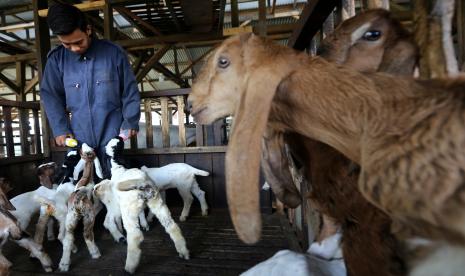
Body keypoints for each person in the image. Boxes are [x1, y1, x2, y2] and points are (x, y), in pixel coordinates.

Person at [40, 3, 140, 178]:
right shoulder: (56, 60)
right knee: (81, 179)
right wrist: (60, 128)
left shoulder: (113, 54)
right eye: (67, 44)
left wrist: (130, 121)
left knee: (113, 177)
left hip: (112, 130)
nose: (74, 48)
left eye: (78, 42)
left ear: (88, 29)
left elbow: (129, 90)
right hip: (78, 134)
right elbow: (50, 95)